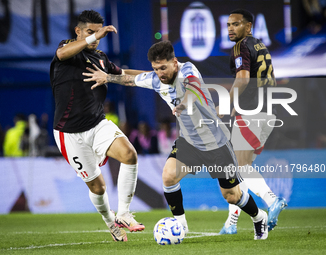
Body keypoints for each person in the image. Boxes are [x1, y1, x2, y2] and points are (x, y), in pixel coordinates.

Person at [84, 40, 269, 240]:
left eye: (163, 67)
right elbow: (131, 79)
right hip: (189, 142)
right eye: (156, 69)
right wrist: (108, 77)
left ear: (174, 62)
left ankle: (259, 217)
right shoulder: (156, 79)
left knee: (232, 196)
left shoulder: (188, 70)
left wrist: (183, 104)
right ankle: (181, 225)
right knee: (168, 176)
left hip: (216, 142)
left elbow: (193, 89)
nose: (160, 73)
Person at [50, 10, 146, 242]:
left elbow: (123, 75)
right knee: (98, 188)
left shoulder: (101, 58)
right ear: (78, 32)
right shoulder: (68, 49)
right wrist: (95, 36)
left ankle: (123, 213)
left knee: (129, 154)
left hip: (97, 124)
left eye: (98, 33)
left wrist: (156, 77)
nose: (96, 38)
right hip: (69, 133)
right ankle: (110, 222)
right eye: (90, 32)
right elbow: (62, 53)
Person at [216, 9, 287, 235]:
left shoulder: (241, 46)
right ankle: (231, 223)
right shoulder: (260, 45)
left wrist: (226, 105)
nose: (230, 28)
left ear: (248, 26)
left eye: (235, 24)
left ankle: (271, 200)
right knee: (241, 167)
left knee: (240, 165)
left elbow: (243, 79)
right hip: (268, 113)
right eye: (228, 24)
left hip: (252, 114)